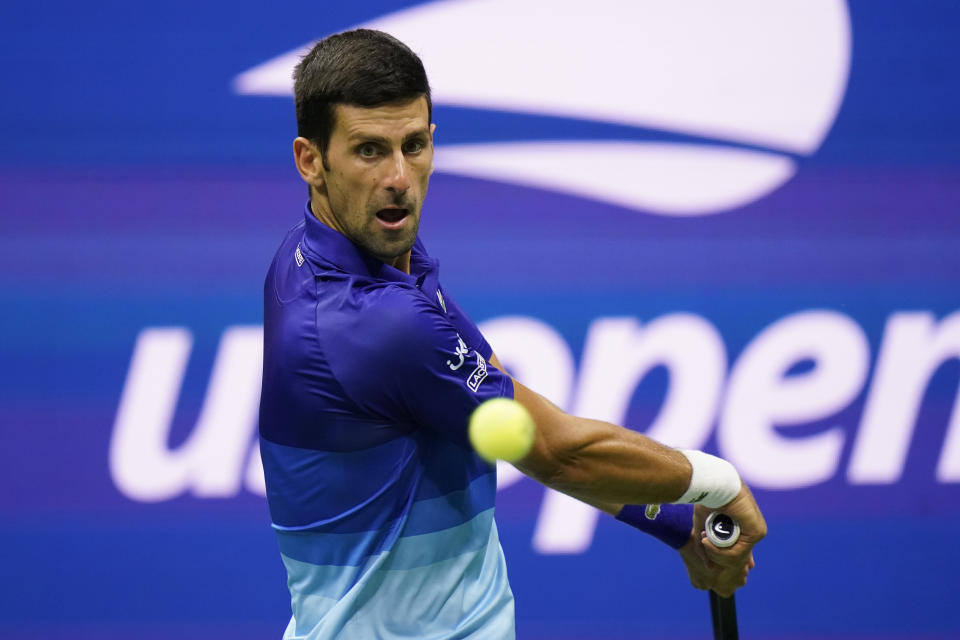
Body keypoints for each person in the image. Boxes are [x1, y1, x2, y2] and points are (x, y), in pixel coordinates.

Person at [258, 28, 766, 640]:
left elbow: (500, 401)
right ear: (310, 160)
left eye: (413, 145)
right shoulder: (378, 322)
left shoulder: (328, 254)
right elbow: (558, 451)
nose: (399, 177)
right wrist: (717, 484)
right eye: (369, 151)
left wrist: (674, 526)